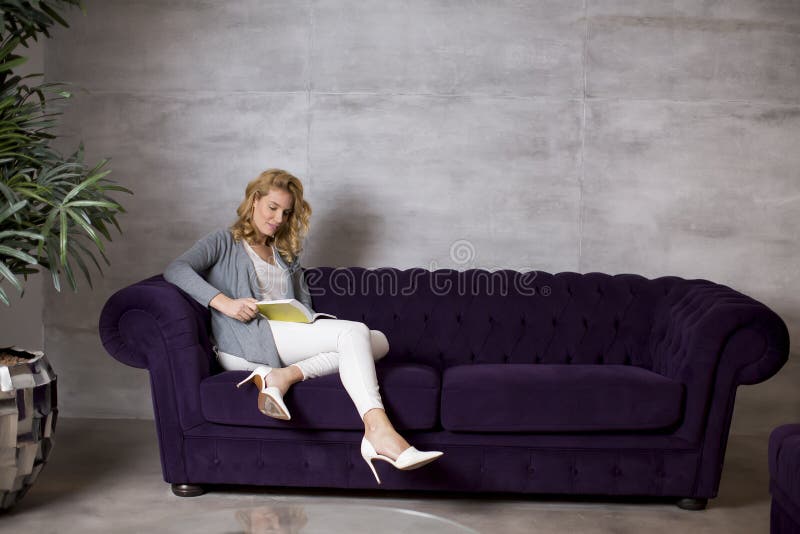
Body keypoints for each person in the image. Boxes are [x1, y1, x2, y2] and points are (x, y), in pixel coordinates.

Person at [163, 168, 442, 484]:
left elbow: (301, 308)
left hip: (283, 337)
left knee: (378, 340)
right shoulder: (224, 241)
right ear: (254, 201)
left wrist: (308, 319)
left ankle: (282, 376)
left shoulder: (285, 256)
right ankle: (379, 432)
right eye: (272, 207)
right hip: (245, 341)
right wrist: (224, 302)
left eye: (286, 212)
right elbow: (176, 269)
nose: (278, 219)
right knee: (355, 334)